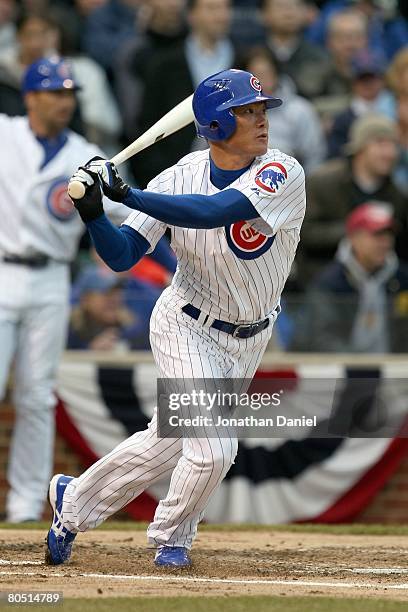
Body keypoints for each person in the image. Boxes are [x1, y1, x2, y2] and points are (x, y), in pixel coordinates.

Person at [44, 68, 306, 568]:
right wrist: (95, 212)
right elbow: (123, 256)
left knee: (168, 444)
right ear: (212, 124)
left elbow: (216, 211)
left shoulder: (282, 170)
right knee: (212, 449)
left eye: (260, 109)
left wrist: (127, 195)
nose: (260, 119)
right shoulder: (176, 176)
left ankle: (72, 502)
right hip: (185, 321)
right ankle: (171, 538)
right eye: (245, 112)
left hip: (250, 335)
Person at [0, 56, 126, 523]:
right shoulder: (5, 134)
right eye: (55, 93)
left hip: (53, 276)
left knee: (37, 397)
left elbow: (125, 216)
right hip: (1, 271)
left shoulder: (84, 153)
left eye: (70, 93)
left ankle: (23, 506)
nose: (64, 102)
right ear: (31, 96)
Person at [301, 112, 408, 282]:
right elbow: (302, 233)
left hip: (381, 282)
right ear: (359, 148)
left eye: (393, 145)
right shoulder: (322, 183)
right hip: (323, 280)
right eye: (381, 143)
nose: (389, 153)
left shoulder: (398, 195)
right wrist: (354, 232)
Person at [293, 202, 408, 352]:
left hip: (395, 369)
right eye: (377, 235)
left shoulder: (403, 279)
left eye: (389, 235)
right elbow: (321, 336)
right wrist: (356, 367)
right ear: (354, 238)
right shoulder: (330, 282)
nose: (385, 242)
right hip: (342, 369)